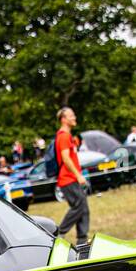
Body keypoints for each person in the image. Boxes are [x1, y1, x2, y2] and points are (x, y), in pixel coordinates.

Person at [53, 107, 91, 259]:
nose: (74, 117)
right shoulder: (63, 136)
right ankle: (59, 233)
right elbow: (66, 158)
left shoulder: (68, 136)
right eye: (71, 115)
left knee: (84, 209)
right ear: (63, 119)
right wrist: (78, 175)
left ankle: (82, 243)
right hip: (68, 179)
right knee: (79, 206)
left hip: (71, 178)